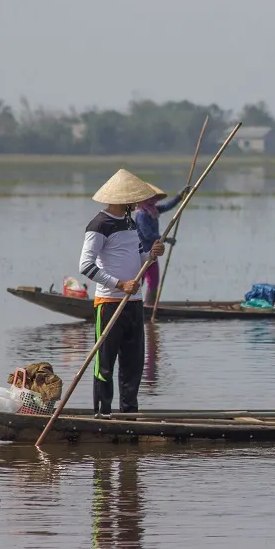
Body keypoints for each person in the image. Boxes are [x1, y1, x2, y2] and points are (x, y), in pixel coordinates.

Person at [79, 168, 166, 418]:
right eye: (133, 199)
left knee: (133, 364)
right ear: (122, 199)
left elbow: (138, 257)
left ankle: (129, 415)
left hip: (134, 303)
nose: (136, 203)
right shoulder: (99, 224)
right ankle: (103, 415)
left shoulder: (129, 222)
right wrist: (120, 284)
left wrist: (151, 255)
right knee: (104, 365)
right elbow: (86, 266)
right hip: (109, 303)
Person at [133, 182, 190, 306]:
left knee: (153, 282)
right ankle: (133, 305)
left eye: (154, 198)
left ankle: (149, 306)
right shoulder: (141, 214)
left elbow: (168, 206)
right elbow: (147, 235)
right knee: (138, 281)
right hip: (141, 253)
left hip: (152, 253)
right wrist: (166, 239)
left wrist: (180, 196)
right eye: (150, 198)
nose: (153, 200)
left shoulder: (153, 210)